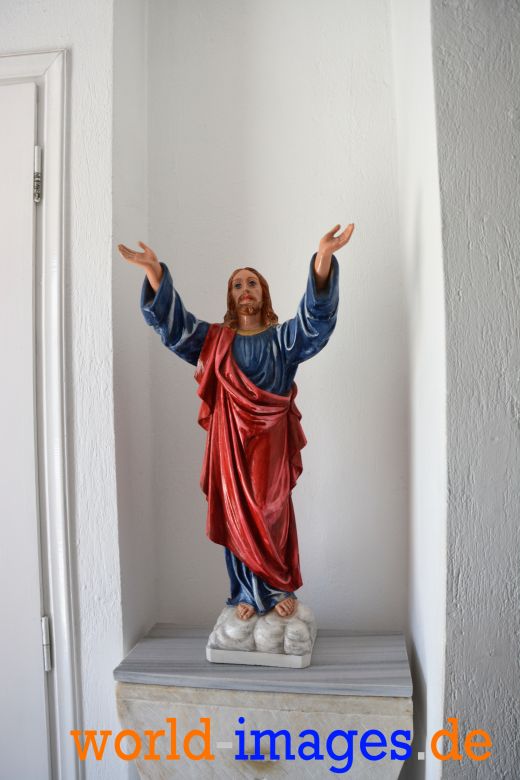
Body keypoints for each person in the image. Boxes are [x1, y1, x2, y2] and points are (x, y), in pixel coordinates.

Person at [118, 223, 355, 620]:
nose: (245, 289)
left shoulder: (283, 340)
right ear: (230, 297)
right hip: (229, 443)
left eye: (252, 283)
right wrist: (154, 273)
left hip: (270, 443)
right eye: (237, 285)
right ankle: (245, 592)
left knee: (270, 510)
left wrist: (323, 261)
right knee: (236, 513)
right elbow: (176, 329)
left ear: (264, 294)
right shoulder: (214, 342)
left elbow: (315, 324)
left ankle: (277, 588)